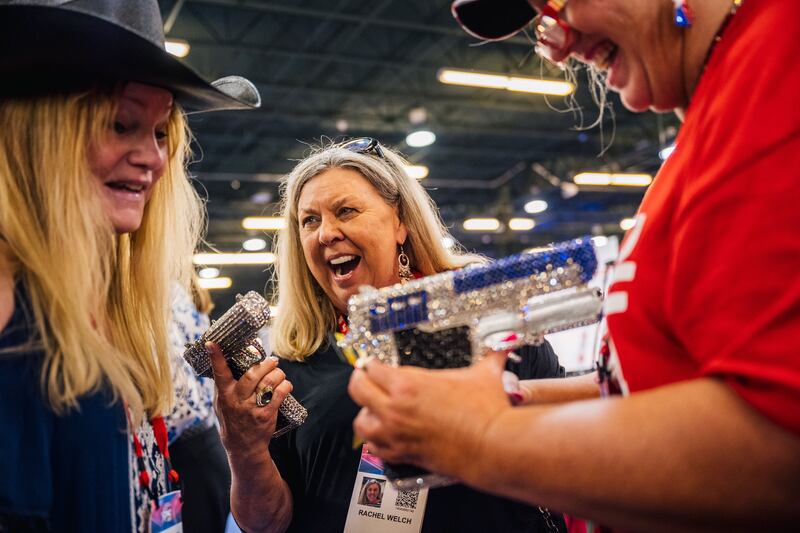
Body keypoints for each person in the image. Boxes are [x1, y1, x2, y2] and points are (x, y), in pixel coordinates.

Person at [348, 0, 800, 530]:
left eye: (559, 1)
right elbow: (670, 384)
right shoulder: (724, 97)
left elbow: (775, 446)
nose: (559, 44)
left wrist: (485, 439)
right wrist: (518, 401)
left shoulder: (779, 55)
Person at [208, 139, 568, 532]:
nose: (327, 233)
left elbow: (572, 449)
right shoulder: (292, 365)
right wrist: (243, 450)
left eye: (346, 210)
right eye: (309, 220)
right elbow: (266, 523)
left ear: (400, 223)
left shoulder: (486, 321)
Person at [0, 1, 259, 531]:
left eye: (161, 131)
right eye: (121, 123)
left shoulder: (102, 305)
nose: (154, 157)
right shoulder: (9, 301)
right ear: (41, 134)